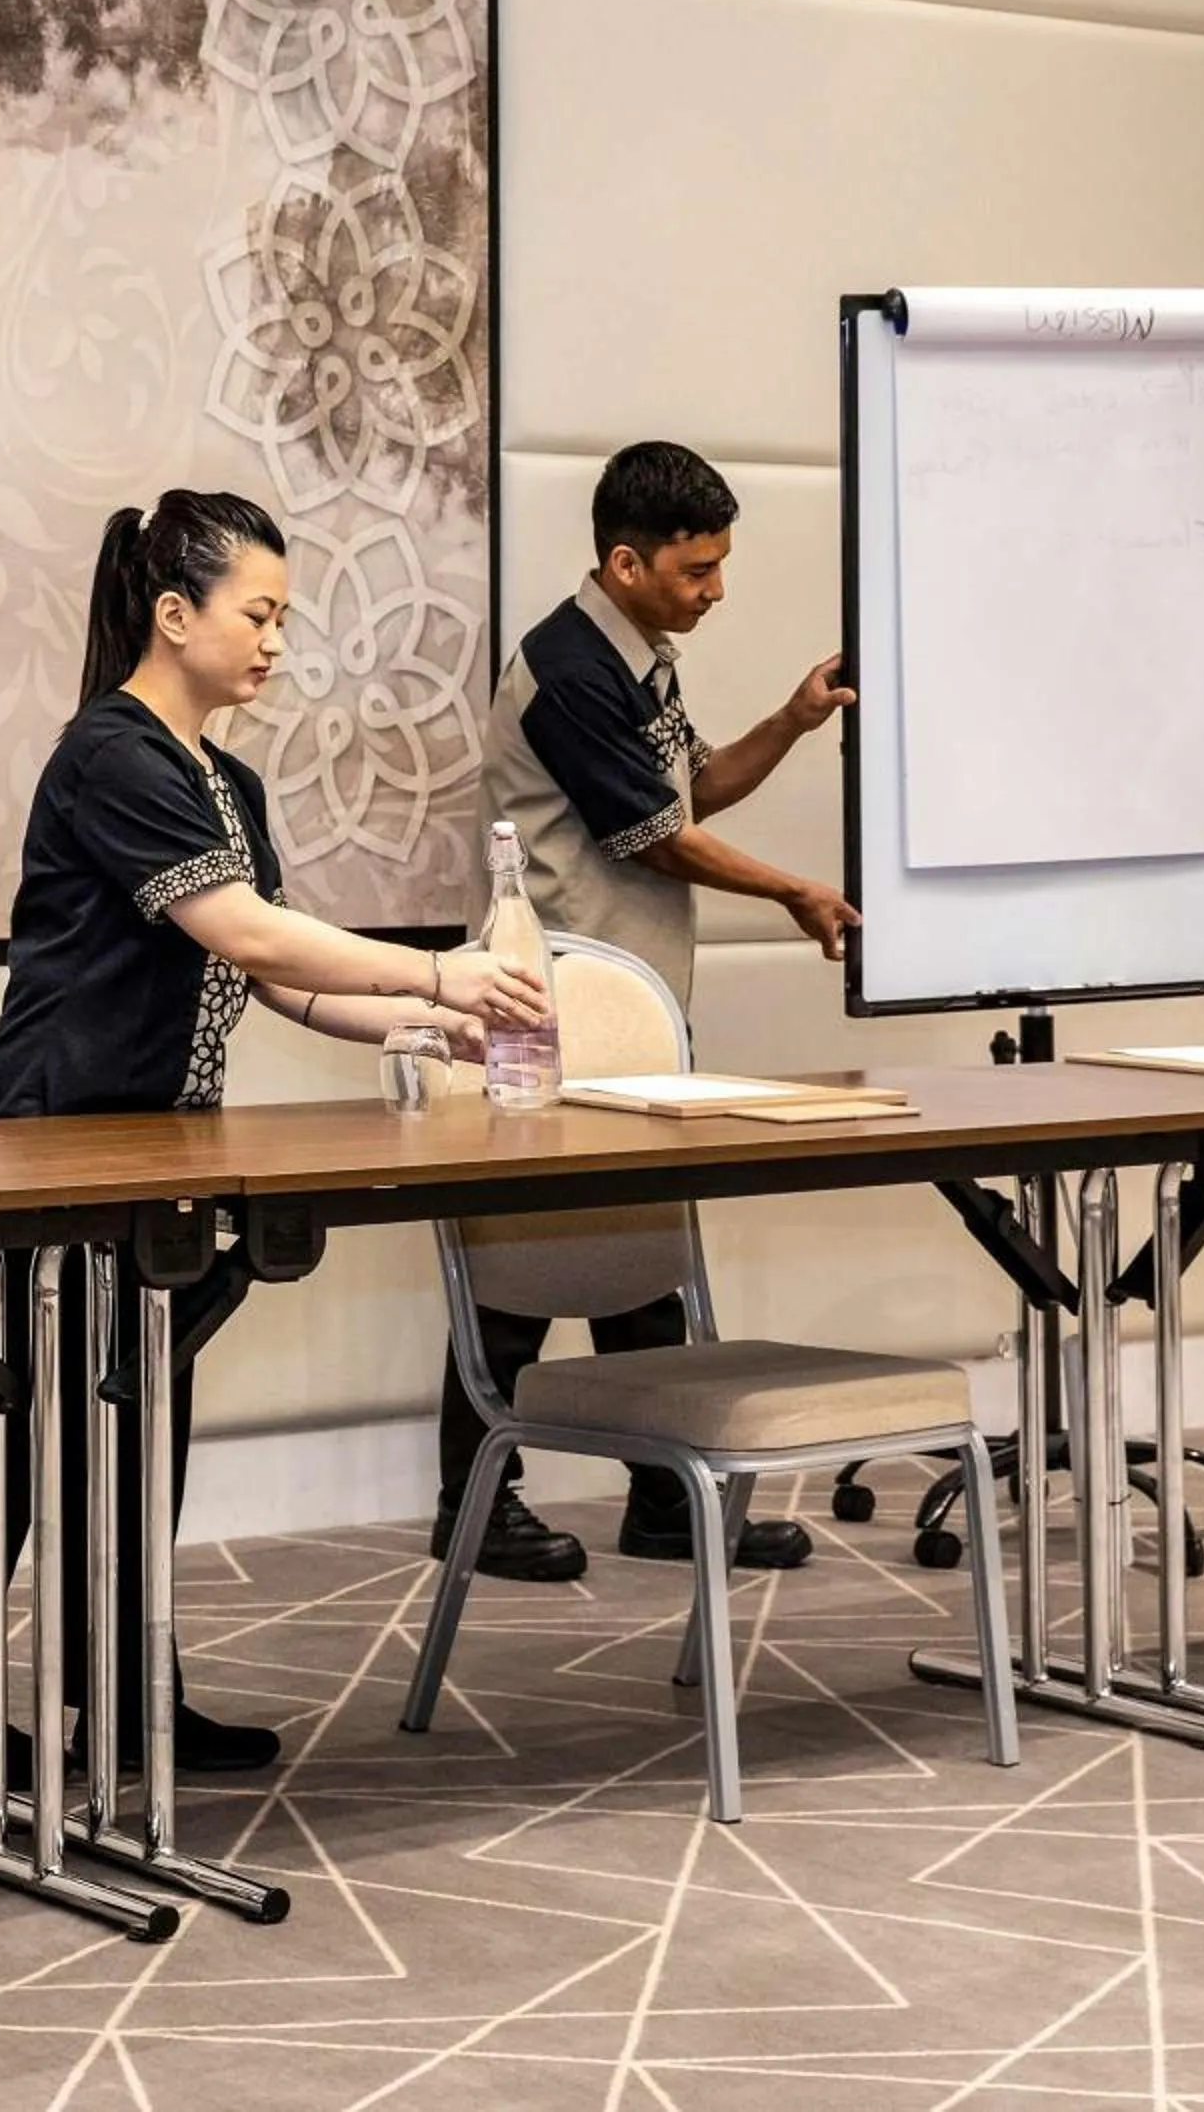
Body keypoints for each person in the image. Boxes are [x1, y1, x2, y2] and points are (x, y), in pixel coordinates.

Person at [0, 489, 548, 1788]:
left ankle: (124, 1696)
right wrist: (443, 973)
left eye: (285, 615)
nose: (278, 639)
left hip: (155, 1150)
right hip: (47, 1138)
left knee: (132, 1412)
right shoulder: (111, 751)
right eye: (259, 612)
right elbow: (244, 933)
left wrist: (419, 1021)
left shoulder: (224, 777)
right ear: (175, 616)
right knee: (13, 1408)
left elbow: (286, 980)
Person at [433, 441, 861, 1585]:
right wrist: (791, 889)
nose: (715, 589)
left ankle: (668, 1494)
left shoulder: (638, 655)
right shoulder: (570, 668)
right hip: (560, 1001)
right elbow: (656, 836)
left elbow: (694, 784)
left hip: (635, 1003)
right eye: (695, 570)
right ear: (625, 562)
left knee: (644, 1253)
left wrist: (790, 719)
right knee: (524, 1258)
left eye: (719, 566)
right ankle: (472, 1504)